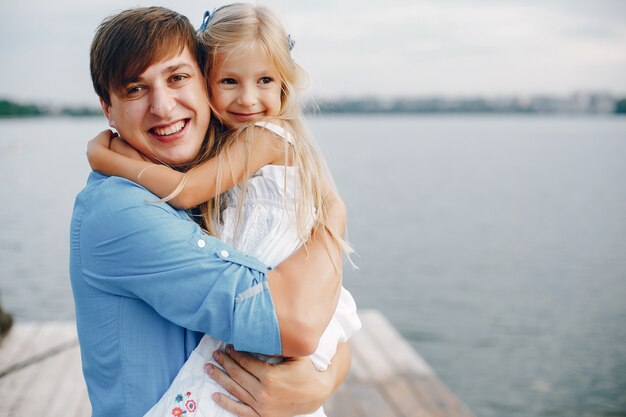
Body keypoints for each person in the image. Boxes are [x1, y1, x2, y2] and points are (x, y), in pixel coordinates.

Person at [70, 6, 351, 417]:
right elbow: (297, 324)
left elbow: (334, 320)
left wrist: (322, 382)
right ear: (107, 110)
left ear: (202, 82)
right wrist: (334, 218)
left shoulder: (224, 177)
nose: (164, 107)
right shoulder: (121, 209)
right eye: (135, 89)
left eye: (178, 77)